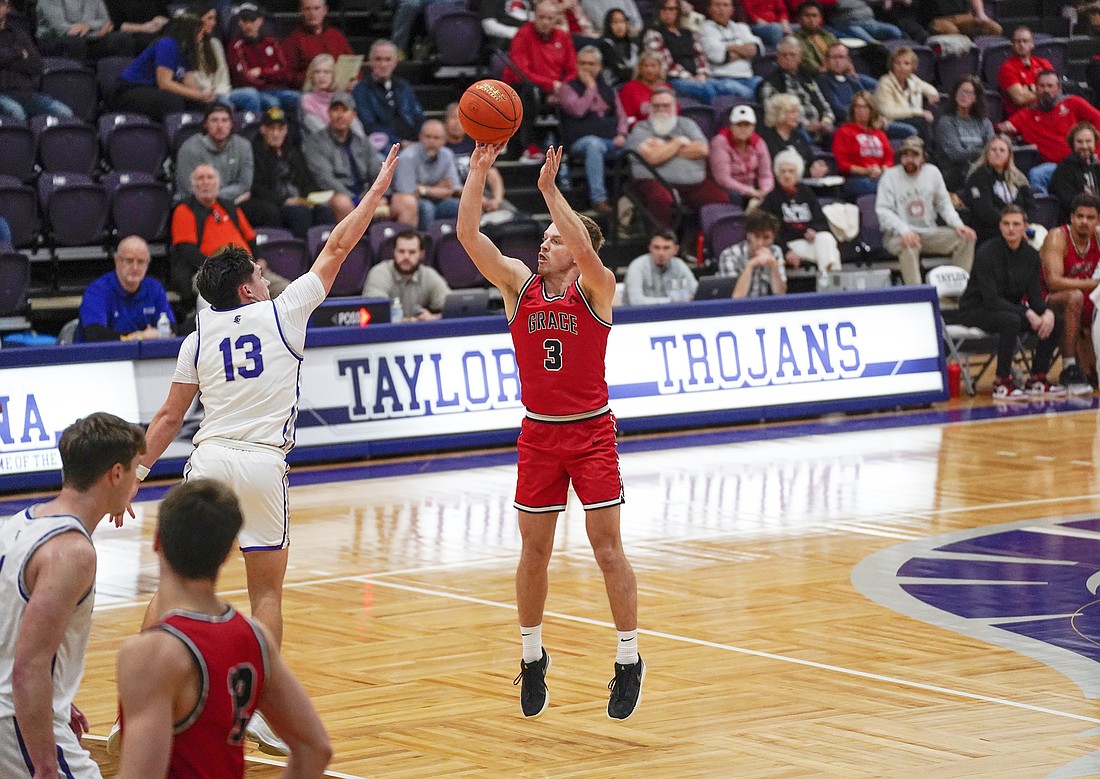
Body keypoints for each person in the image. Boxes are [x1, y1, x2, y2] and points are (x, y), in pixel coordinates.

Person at [135, 144, 399, 753]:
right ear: (250, 291)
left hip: (207, 461)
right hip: (260, 465)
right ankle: (251, 710)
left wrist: (140, 470)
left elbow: (171, 415)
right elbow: (337, 246)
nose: (266, 275)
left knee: (173, 585)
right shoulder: (284, 313)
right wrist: (377, 188)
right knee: (266, 594)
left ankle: (139, 705)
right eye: (258, 271)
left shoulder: (197, 336)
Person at [457, 142, 644, 721]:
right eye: (542, 237)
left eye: (553, 238)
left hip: (591, 434)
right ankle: (532, 656)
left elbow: (585, 246)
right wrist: (478, 175)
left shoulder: (597, 287)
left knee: (607, 549)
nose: (544, 243)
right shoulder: (518, 286)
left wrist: (549, 191)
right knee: (532, 552)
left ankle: (628, 658)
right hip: (539, 434)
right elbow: (470, 237)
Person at [114, 480, 332, 778]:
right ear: (230, 551)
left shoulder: (152, 653)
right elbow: (316, 749)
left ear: (157, 541)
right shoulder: (257, 638)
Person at [0, 412, 145, 779]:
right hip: (14, 719)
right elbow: (29, 665)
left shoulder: (21, 522)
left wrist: (54, 687)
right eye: (135, 471)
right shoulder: (73, 552)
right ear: (116, 474)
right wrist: (46, 765)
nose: (136, 482)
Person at [955, 206, 1064, 400]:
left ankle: (1038, 377)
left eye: (1016, 224)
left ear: (1025, 227)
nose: (1011, 229)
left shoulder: (1031, 256)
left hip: (1009, 310)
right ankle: (1002, 381)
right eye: (1006, 224)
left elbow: (1035, 299)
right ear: (1000, 226)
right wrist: (1027, 313)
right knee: (1010, 320)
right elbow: (991, 299)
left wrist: (1046, 313)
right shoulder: (986, 252)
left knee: (1056, 320)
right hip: (976, 309)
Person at [624, 87, 730, 229]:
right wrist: (679, 142)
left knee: (719, 199)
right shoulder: (641, 129)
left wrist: (663, 148)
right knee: (660, 199)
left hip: (693, 184)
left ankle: (698, 245)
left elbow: (702, 149)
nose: (661, 109)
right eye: (656, 106)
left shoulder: (687, 124)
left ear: (675, 107)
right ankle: (662, 242)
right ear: (650, 108)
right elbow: (652, 158)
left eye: (666, 105)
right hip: (654, 182)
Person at [876, 135, 976, 286]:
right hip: (897, 236)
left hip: (928, 232)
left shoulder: (933, 173)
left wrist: (958, 225)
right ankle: (917, 296)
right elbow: (883, 211)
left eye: (914, 155)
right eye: (905, 155)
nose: (909, 159)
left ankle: (956, 291)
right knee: (909, 244)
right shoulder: (889, 176)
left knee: (967, 238)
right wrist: (904, 231)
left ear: (923, 158)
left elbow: (944, 204)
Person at [998, 70, 1100, 196]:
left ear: (1058, 88)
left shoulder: (1073, 102)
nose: (1046, 90)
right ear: (1035, 89)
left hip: (1081, 161)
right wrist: (1005, 127)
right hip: (1053, 167)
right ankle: (1045, 212)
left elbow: (1098, 120)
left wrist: (1096, 153)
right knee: (1036, 174)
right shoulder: (1026, 115)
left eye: (1050, 86)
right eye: (1042, 86)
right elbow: (1001, 128)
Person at [169, 163, 259, 300]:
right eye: (200, 178)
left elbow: (251, 238)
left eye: (210, 178)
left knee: (284, 289)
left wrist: (260, 259)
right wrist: (222, 269)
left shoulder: (229, 207)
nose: (205, 182)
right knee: (229, 295)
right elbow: (187, 250)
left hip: (248, 270)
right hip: (209, 273)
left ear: (217, 183)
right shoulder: (184, 210)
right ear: (192, 185)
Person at [1039, 193, 1100, 392]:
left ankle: (1090, 367)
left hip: (1084, 296)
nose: (1084, 222)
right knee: (1075, 297)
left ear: (1097, 220)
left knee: (1094, 378)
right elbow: (1054, 282)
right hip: (1047, 300)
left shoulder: (1098, 238)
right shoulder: (1057, 237)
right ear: (1072, 217)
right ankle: (1069, 367)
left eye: (1090, 218)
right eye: (1080, 216)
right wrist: (1094, 283)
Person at [557, 45, 628, 214]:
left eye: (591, 64)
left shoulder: (609, 89)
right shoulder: (567, 88)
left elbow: (622, 116)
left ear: (599, 67)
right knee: (593, 145)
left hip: (611, 139)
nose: (587, 67)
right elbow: (578, 109)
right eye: (583, 63)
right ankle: (599, 199)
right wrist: (590, 88)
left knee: (638, 143)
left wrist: (622, 134)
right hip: (580, 140)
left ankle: (634, 196)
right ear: (577, 65)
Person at [504, 0, 578, 159]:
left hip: (557, 88)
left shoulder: (563, 37)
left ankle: (571, 146)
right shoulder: (522, 35)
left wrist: (562, 89)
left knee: (579, 88)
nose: (545, 22)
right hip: (525, 86)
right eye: (541, 17)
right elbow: (521, 72)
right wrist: (551, 86)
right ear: (534, 17)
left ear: (556, 20)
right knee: (528, 91)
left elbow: (572, 70)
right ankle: (528, 147)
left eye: (549, 18)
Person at [108, 12, 214, 121]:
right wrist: (198, 95)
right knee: (173, 102)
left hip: (152, 91)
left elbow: (189, 84)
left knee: (204, 106)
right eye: (199, 33)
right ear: (189, 32)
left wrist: (203, 96)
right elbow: (164, 83)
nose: (201, 37)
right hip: (128, 90)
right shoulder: (167, 44)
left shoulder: (186, 53)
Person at [248, 106, 334, 238]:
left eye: (280, 129)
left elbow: (306, 180)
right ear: (263, 130)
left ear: (286, 130)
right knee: (300, 213)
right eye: (272, 129)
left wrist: (311, 198)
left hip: (299, 200)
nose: (276, 134)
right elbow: (257, 188)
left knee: (325, 211)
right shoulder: (255, 152)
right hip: (277, 202)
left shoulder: (293, 151)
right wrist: (285, 200)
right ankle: (302, 255)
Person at [302, 91, 383, 222]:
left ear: (353, 115)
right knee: (343, 202)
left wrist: (377, 195)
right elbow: (325, 179)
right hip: (332, 194)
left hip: (363, 193)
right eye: (335, 110)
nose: (339, 115)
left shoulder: (362, 142)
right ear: (328, 113)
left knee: (400, 202)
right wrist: (355, 199)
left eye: (344, 110)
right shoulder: (315, 142)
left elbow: (376, 172)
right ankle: (349, 243)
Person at [78, 235, 175, 342]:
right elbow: (95, 335)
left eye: (141, 262)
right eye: (129, 261)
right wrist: (139, 337)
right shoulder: (97, 291)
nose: (135, 268)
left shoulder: (155, 288)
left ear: (147, 264)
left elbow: (172, 328)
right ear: (117, 261)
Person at [760, 148, 841, 271]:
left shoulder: (806, 193)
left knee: (826, 238)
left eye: (791, 171)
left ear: (797, 174)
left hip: (812, 242)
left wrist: (814, 230)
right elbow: (769, 233)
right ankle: (831, 282)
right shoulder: (771, 199)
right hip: (791, 245)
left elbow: (821, 221)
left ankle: (827, 280)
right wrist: (786, 251)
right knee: (831, 253)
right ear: (777, 174)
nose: (787, 175)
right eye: (783, 171)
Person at [0, 0, 74, 120]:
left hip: (26, 93)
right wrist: (19, 53)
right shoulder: (20, 46)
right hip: (2, 94)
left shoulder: (20, 35)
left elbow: (37, 65)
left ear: (8, 8)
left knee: (65, 113)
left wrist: (7, 61)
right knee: (17, 113)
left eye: (2, 4)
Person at [444, 101, 515, 221]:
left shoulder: (475, 143)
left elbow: (492, 173)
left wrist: (496, 199)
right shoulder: (441, 146)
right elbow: (452, 184)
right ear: (445, 121)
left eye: (461, 119)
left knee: (511, 214)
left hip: (482, 191)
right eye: (453, 118)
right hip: (457, 196)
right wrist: (481, 200)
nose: (457, 123)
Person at [757, 36, 835, 144]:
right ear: (778, 58)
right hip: (795, 131)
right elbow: (774, 116)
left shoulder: (808, 77)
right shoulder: (770, 83)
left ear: (800, 57)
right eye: (784, 55)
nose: (788, 58)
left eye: (792, 55)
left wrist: (827, 121)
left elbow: (824, 104)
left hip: (821, 129)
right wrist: (806, 125)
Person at [961, 134, 1036, 245]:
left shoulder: (1018, 177)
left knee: (1041, 237)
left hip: (1019, 229)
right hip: (990, 232)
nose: (997, 153)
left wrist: (1023, 224)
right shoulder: (977, 176)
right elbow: (985, 210)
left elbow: (1030, 204)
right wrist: (1010, 226)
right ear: (987, 153)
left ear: (1009, 155)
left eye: (1002, 150)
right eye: (994, 149)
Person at [176, 103, 255, 207]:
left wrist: (219, 199)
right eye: (214, 120)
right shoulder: (189, 148)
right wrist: (221, 200)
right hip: (196, 205)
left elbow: (245, 185)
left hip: (233, 203)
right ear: (205, 124)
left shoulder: (244, 146)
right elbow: (188, 190)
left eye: (224, 120)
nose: (220, 126)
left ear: (231, 124)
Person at [227, 2, 300, 114]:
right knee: (273, 103)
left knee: (300, 98)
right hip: (258, 92)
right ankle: (273, 130)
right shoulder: (236, 47)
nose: (248, 26)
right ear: (240, 23)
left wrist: (261, 72)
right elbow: (245, 80)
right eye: (245, 21)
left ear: (260, 21)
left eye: (252, 21)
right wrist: (274, 73)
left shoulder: (271, 42)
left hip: (279, 89)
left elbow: (287, 73)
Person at [362, 228, 450, 319]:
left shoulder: (428, 274)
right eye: (401, 251)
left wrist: (433, 318)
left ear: (421, 254)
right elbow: (375, 313)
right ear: (394, 252)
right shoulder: (380, 273)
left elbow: (453, 309)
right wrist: (413, 320)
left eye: (412, 252)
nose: (406, 257)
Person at [352, 39, 425, 148]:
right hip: (383, 146)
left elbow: (418, 116)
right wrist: (400, 143)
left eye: (388, 59)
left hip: (414, 142)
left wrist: (425, 137)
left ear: (395, 63)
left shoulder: (403, 87)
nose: (383, 64)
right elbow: (370, 126)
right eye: (378, 59)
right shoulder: (361, 90)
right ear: (370, 62)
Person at [391, 118, 461, 228]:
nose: (431, 141)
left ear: (444, 140)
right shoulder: (407, 157)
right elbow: (408, 194)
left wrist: (423, 189)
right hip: (414, 202)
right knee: (427, 207)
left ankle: (455, 242)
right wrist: (436, 188)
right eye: (428, 137)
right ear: (420, 137)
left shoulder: (447, 155)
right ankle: (426, 242)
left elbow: (451, 190)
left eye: (436, 138)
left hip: (439, 201)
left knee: (459, 205)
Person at [642, 0, 717, 104]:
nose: (668, 13)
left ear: (678, 11)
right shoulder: (654, 33)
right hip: (674, 79)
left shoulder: (688, 31)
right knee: (706, 89)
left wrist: (702, 73)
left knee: (730, 88)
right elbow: (665, 64)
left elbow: (700, 55)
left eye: (672, 9)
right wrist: (690, 77)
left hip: (698, 76)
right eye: (664, 9)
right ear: (659, 11)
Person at [934, 76, 994, 191]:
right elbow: (956, 154)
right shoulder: (947, 122)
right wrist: (981, 150)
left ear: (975, 97)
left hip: (979, 170)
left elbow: (992, 149)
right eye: (961, 91)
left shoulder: (984, 123)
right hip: (955, 173)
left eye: (968, 92)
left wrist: (976, 152)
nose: (963, 95)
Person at [708, 104, 774, 207]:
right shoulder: (720, 142)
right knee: (734, 196)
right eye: (739, 125)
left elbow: (765, 174)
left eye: (747, 125)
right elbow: (723, 179)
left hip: (753, 189)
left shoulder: (759, 143)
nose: (743, 129)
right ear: (731, 126)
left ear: (753, 127)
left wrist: (765, 191)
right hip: (729, 189)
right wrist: (749, 191)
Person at [831, 89, 893, 197]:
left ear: (871, 110)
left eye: (865, 107)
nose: (860, 110)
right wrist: (866, 171)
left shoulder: (879, 134)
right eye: (857, 107)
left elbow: (888, 158)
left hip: (879, 176)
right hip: (855, 179)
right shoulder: (844, 131)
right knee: (883, 188)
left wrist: (883, 169)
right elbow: (842, 163)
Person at [282, 0, 355, 89]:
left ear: (325, 10)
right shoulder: (294, 39)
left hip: (340, 90)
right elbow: (287, 73)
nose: (312, 13)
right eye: (307, 9)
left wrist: (353, 81)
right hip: (309, 91)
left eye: (317, 8)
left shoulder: (336, 36)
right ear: (302, 12)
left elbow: (352, 64)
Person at [699, 0, 763, 101]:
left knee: (766, 88)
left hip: (748, 78)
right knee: (747, 94)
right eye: (717, 5)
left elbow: (757, 50)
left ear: (732, 10)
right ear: (709, 9)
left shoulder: (741, 27)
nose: (721, 9)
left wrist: (730, 47)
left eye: (725, 5)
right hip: (721, 78)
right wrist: (744, 52)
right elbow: (717, 56)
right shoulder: (704, 29)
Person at [715, 208, 787, 297]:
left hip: (765, 307)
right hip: (737, 309)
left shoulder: (775, 251)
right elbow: (736, 297)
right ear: (749, 235)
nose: (761, 243)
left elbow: (781, 294)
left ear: (773, 238)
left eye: (766, 238)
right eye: (757, 236)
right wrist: (751, 265)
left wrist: (773, 266)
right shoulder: (729, 255)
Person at [874, 45, 938, 144]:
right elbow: (888, 113)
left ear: (912, 67)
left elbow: (929, 89)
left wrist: (931, 94)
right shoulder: (885, 82)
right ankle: (929, 151)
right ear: (892, 65)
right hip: (890, 122)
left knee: (931, 117)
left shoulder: (913, 79)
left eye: (906, 63)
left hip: (912, 119)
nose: (902, 67)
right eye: (898, 63)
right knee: (922, 121)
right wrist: (918, 112)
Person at [758, 93, 830, 179]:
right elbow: (773, 170)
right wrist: (808, 173)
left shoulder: (799, 136)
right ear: (779, 114)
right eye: (792, 112)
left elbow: (810, 160)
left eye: (797, 112)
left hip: (804, 183)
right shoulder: (767, 139)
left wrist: (818, 166)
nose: (797, 116)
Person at [36, 0, 135, 60]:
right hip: (54, 40)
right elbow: (61, 29)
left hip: (89, 38)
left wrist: (88, 26)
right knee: (75, 41)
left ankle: (123, 83)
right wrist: (97, 31)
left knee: (122, 38)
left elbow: (106, 21)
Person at [622, 227, 699, 304]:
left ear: (675, 250)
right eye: (656, 247)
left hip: (671, 314)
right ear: (649, 248)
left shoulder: (679, 265)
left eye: (666, 248)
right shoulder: (637, 266)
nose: (661, 253)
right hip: (639, 315)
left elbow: (697, 292)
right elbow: (636, 301)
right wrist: (672, 301)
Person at [1050, 122, 1100, 222]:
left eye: (1088, 141)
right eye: (1080, 142)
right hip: (1076, 223)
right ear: (1073, 144)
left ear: (1095, 143)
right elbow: (1070, 204)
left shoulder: (1097, 168)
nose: (1084, 146)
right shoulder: (1063, 170)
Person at [998, 26, 1052, 115]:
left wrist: (1028, 89)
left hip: (1046, 110)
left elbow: (1055, 91)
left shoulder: (1044, 63)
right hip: (1023, 116)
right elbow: (1020, 99)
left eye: (1025, 41)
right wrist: (1044, 92)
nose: (1022, 45)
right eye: (1018, 41)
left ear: (1032, 44)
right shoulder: (1007, 68)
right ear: (1012, 45)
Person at [617, 51, 671, 129]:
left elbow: (674, 113)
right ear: (640, 69)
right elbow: (627, 117)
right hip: (640, 130)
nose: (649, 69)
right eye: (646, 66)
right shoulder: (629, 88)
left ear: (660, 68)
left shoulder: (667, 88)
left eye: (653, 66)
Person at [826, 0, 902, 44]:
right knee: (871, 42)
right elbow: (838, 4)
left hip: (869, 22)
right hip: (849, 24)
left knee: (895, 32)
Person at [793, 1, 839, 74]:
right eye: (807, 16)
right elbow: (809, 64)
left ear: (820, 19)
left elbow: (841, 54)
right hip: (818, 77)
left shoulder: (828, 35)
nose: (811, 19)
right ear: (799, 19)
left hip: (837, 72)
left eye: (814, 16)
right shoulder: (795, 40)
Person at [598, 8, 639, 85]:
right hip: (613, 86)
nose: (619, 26)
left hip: (634, 84)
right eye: (615, 22)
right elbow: (619, 72)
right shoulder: (605, 44)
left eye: (622, 21)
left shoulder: (633, 44)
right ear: (608, 24)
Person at [927, 0, 1001, 38]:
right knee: (952, 31)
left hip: (963, 16)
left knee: (994, 27)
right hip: (939, 19)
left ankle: (980, 59)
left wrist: (980, 13)